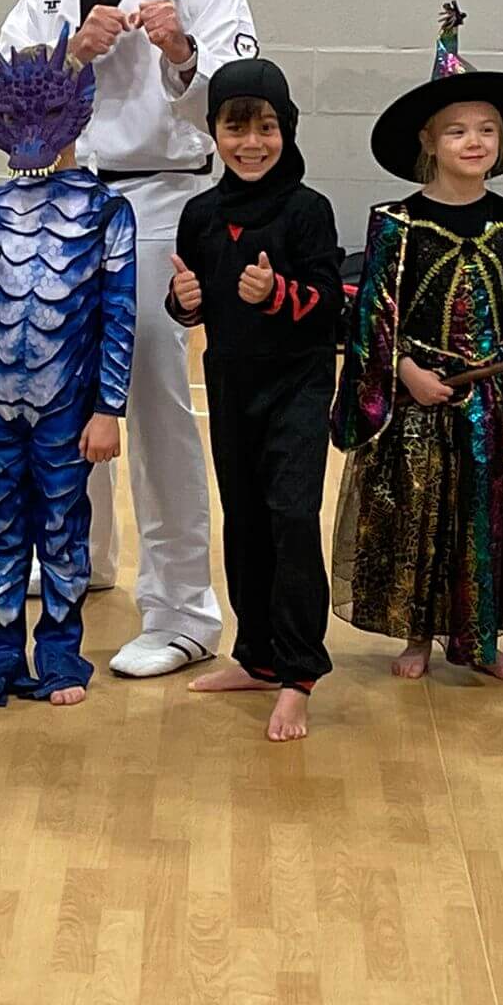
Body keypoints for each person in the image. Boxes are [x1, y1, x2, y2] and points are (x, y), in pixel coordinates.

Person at [0, 0, 253, 679]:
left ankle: (183, 609)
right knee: (57, 383)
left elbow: (246, 98)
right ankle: (79, 556)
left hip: (159, 201)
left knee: (148, 396)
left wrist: (183, 54)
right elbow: (13, 85)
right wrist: (69, 54)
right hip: (61, 190)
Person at [331, 3, 503, 683]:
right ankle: (416, 635)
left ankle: (481, 642)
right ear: (428, 141)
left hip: (490, 407)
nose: (474, 140)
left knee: (484, 522)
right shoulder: (396, 224)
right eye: (457, 129)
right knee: (416, 520)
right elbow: (373, 316)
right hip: (418, 403)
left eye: (487, 129)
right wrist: (404, 373)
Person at [0, 33, 135, 708]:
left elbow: (119, 317)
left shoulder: (109, 213)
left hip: (67, 407)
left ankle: (58, 649)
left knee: (60, 524)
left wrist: (109, 409)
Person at [166, 59, 339, 741]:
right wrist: (184, 306)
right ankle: (258, 655)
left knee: (290, 517)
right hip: (231, 382)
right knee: (244, 518)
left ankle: (299, 671)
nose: (251, 143)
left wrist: (280, 296)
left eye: (265, 127)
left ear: (286, 130)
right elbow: (192, 301)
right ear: (214, 133)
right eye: (235, 127)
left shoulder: (307, 211)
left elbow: (330, 308)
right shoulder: (201, 214)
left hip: (297, 383)